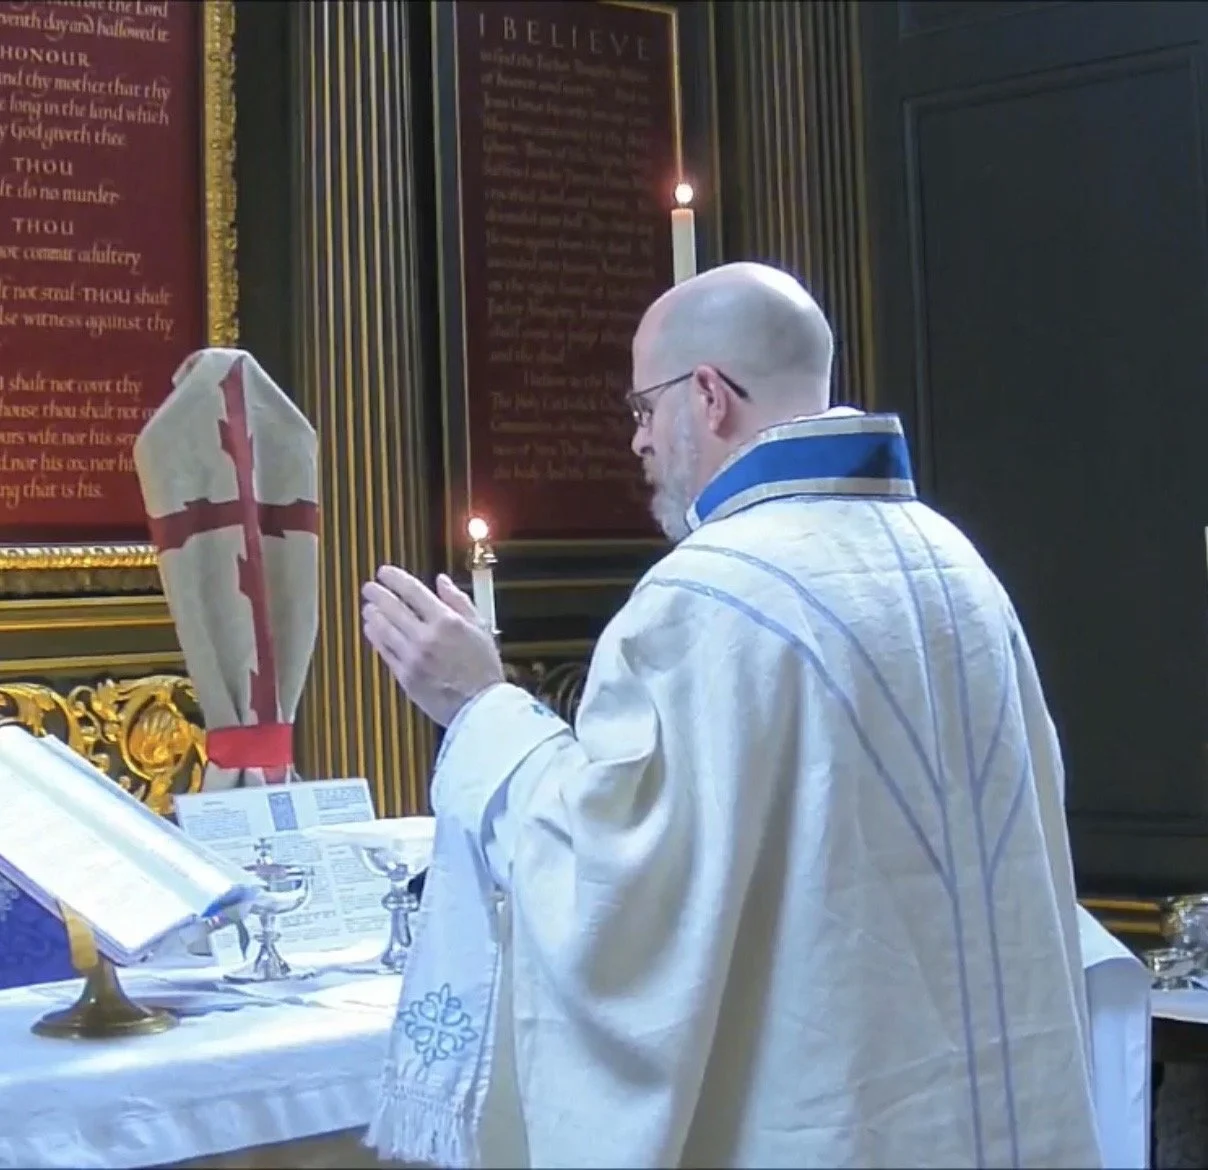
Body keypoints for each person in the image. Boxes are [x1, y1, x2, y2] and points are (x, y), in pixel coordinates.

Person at [360, 262, 1103, 1168]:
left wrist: (477, 705)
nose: (636, 440)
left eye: (642, 408)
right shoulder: (957, 564)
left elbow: (609, 880)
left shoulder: (713, 595)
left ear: (707, 396)